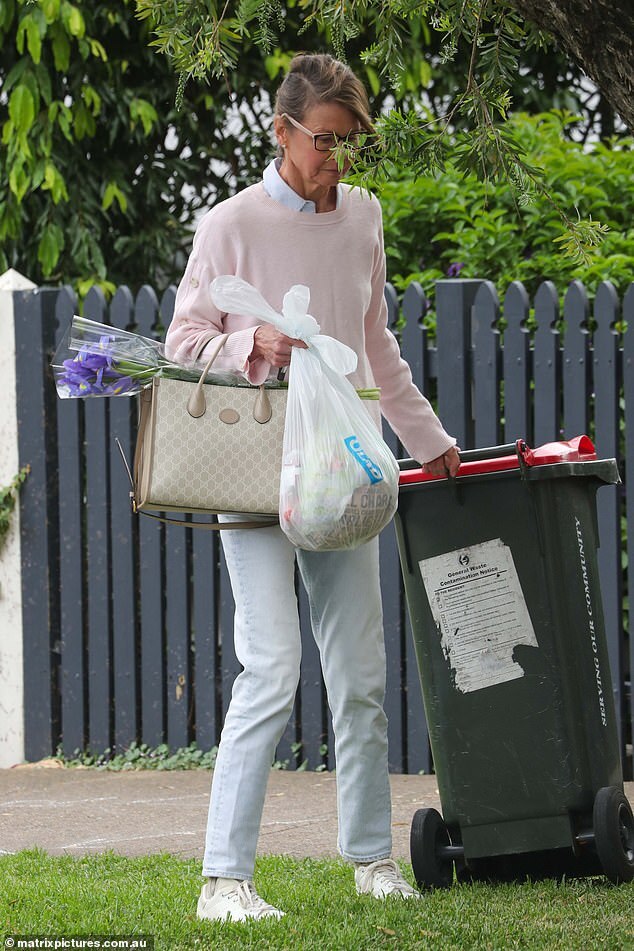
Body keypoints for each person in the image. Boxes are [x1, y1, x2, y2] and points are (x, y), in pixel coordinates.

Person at [166, 52, 460, 922]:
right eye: (324, 141)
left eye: (350, 142)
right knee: (272, 663)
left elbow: (377, 349)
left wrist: (430, 445)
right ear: (282, 129)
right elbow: (183, 340)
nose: (337, 159)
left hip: (347, 475)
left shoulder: (365, 216)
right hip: (257, 473)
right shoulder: (229, 223)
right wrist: (251, 344)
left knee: (361, 672)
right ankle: (224, 880)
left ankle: (371, 858)